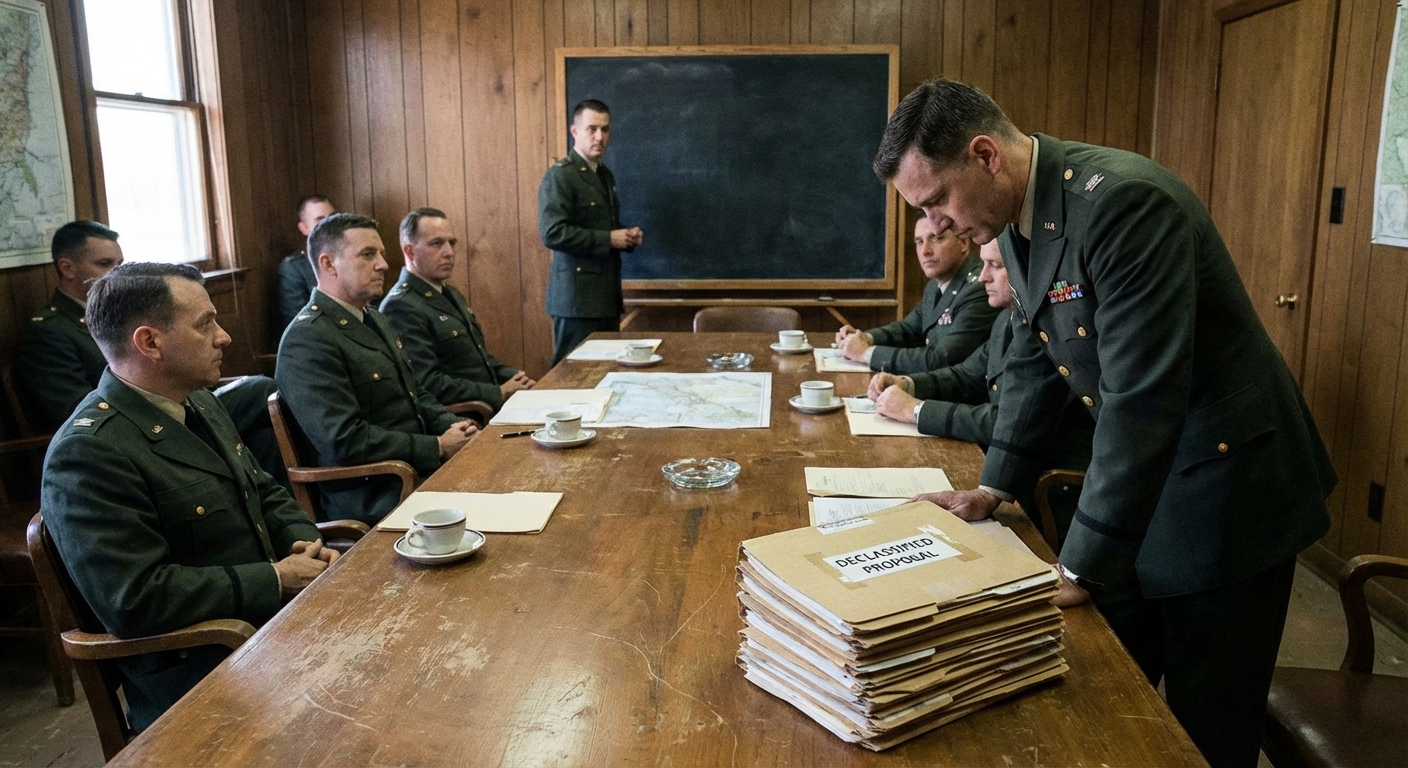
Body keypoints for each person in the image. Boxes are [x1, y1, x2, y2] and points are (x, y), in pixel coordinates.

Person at [872, 77, 1335, 768]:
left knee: (1206, 728)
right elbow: (1034, 363)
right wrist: (994, 486)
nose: (934, 226)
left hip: (1231, 490)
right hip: (1152, 481)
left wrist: (1081, 563)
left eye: (936, 201)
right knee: (1116, 696)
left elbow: (1140, 397)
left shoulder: (1123, 203)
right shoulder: (1021, 220)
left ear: (985, 155)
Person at [40, 262, 337, 733]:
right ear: (149, 343)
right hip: (202, 669)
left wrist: (301, 539)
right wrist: (273, 579)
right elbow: (134, 598)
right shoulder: (90, 452)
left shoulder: (198, 400)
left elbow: (262, 489)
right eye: (205, 324)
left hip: (268, 632)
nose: (224, 337)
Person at [15, 221, 287, 490]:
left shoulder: (129, 309)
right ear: (67, 267)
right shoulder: (50, 331)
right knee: (262, 389)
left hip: (175, 404)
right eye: (105, 263)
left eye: (120, 263)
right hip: (132, 427)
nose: (116, 272)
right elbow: (73, 409)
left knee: (262, 437)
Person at [866, 239, 1091, 534]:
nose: (983, 276)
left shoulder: (1051, 331)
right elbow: (966, 375)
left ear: (1029, 271)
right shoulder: (1005, 320)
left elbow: (1008, 421)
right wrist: (907, 383)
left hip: (1046, 491)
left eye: (996, 266)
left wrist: (917, 410)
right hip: (1006, 475)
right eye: (984, 264)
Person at [276, 213, 477, 524]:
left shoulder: (371, 317)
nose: (383, 264)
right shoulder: (308, 339)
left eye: (381, 254)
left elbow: (415, 392)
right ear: (329, 264)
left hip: (415, 471)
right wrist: (435, 446)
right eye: (368, 255)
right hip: (377, 490)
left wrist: (456, 426)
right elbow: (345, 440)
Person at [380, 208, 535, 413]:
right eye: (437, 243)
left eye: (451, 243)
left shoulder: (449, 293)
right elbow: (428, 383)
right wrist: (498, 392)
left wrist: (514, 377)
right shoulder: (400, 306)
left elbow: (479, 359)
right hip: (466, 415)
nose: (449, 252)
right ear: (410, 251)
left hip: (491, 403)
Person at [538, 99, 643, 364]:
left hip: (604, 297)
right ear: (575, 131)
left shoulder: (604, 175)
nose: (600, 137)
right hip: (577, 301)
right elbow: (552, 233)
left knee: (605, 373)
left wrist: (625, 238)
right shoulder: (561, 175)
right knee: (572, 373)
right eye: (592, 129)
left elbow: (600, 228)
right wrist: (609, 238)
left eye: (605, 129)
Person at [834, 216, 997, 373]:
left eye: (937, 239)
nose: (925, 251)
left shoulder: (978, 288)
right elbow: (908, 330)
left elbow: (940, 359)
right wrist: (865, 338)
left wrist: (867, 353)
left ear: (963, 242)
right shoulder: (936, 284)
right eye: (919, 242)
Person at [276, 195, 335, 330]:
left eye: (332, 218)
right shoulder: (293, 268)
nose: (329, 225)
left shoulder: (349, 259)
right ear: (304, 228)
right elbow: (298, 322)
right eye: (320, 221)